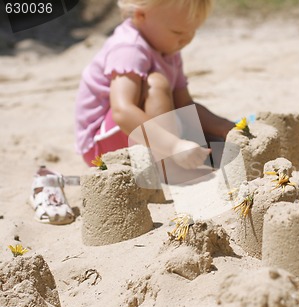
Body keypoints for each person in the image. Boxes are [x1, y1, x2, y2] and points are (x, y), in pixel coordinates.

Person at [30, 0, 234, 224]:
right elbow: (122, 111)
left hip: (139, 130)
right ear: (140, 16)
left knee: (189, 118)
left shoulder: (168, 44)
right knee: (156, 83)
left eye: (192, 31)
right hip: (99, 143)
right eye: (178, 31)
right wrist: (174, 146)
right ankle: (169, 166)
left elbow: (185, 105)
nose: (185, 39)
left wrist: (228, 128)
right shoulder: (128, 48)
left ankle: (172, 154)